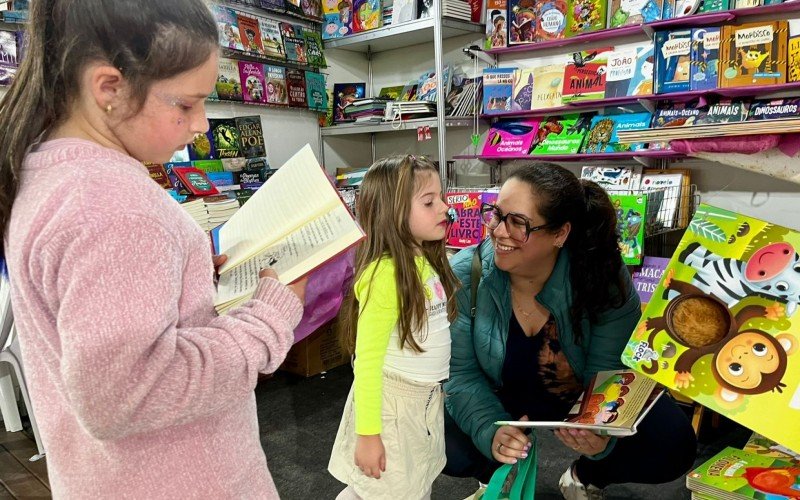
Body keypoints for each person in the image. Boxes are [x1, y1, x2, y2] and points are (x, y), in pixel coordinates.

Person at [0, 1, 306, 497]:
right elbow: (125, 394)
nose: (202, 124)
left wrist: (182, 280)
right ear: (109, 88)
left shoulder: (53, 173)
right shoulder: (112, 204)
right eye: (185, 105)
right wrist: (267, 320)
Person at [443, 163, 697, 499]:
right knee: (429, 429)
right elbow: (462, 374)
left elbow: (609, 374)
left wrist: (599, 435)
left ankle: (585, 476)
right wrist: (489, 431)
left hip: (576, 396)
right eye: (496, 214)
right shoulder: (466, 273)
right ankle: (498, 472)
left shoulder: (600, 273)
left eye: (518, 223)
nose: (499, 232)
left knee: (671, 441)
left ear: (560, 233)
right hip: (502, 396)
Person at [328, 155, 460, 499]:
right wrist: (369, 434)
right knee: (392, 488)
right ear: (393, 212)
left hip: (423, 400)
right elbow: (368, 363)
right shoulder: (385, 275)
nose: (444, 207)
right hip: (393, 405)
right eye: (429, 202)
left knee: (410, 484)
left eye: (441, 197)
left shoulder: (423, 260)